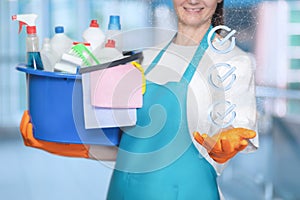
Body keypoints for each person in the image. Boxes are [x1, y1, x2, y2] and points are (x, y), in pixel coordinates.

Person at [20, 0, 258, 199]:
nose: (193, 1)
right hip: (123, 191)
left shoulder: (233, 63)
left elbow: (239, 131)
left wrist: (225, 145)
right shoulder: (144, 59)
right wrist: (66, 147)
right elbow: (124, 144)